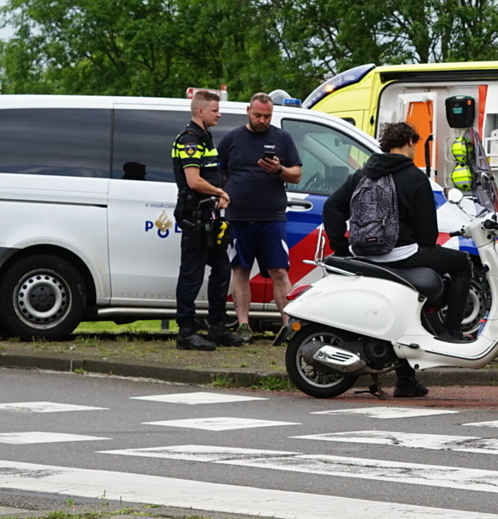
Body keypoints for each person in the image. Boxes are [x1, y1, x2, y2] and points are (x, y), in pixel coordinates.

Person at [324, 122, 473, 398]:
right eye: (414, 144)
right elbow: (427, 234)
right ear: (407, 143)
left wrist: (341, 247)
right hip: (402, 255)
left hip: (364, 256)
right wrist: (422, 251)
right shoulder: (415, 178)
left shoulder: (361, 175)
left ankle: (407, 380)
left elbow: (332, 207)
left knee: (405, 310)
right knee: (462, 263)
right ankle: (452, 331)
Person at [218, 93, 303, 346]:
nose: (262, 120)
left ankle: (288, 325)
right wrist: (229, 193)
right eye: (258, 115)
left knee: (279, 271)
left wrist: (279, 170)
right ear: (248, 111)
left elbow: (296, 175)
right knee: (241, 270)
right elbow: (218, 172)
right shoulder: (232, 138)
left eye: (267, 116)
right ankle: (244, 325)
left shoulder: (282, 138)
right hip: (239, 217)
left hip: (272, 218)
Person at [171, 90, 242, 351]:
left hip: (209, 214)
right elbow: (193, 180)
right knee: (191, 273)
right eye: (215, 110)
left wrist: (218, 196)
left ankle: (217, 328)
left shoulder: (205, 137)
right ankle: (186, 332)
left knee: (222, 269)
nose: (219, 114)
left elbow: (210, 176)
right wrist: (221, 192)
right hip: (195, 216)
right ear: (200, 111)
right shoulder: (190, 139)